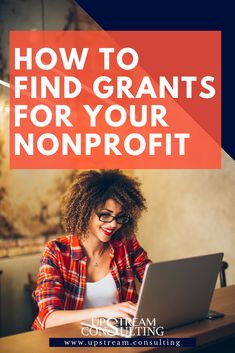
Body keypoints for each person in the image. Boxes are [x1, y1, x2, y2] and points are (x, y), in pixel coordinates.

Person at [32, 169, 151, 330]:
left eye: (120, 217)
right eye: (105, 215)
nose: (114, 224)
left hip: (118, 336)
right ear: (85, 211)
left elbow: (157, 285)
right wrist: (106, 312)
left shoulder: (126, 244)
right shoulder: (56, 251)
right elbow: (48, 318)